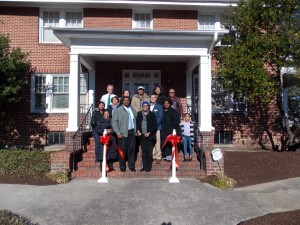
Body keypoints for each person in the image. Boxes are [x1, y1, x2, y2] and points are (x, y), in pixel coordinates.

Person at [111, 96, 137, 172]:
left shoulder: (132, 110)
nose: (126, 101)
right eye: (125, 100)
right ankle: (122, 167)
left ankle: (131, 166)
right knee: (122, 150)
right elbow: (114, 122)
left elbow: (135, 120)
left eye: (128, 100)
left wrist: (136, 130)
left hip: (132, 132)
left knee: (132, 149)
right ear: (122, 101)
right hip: (122, 133)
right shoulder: (118, 110)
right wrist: (118, 132)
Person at [136, 101, 157, 172]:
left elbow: (154, 126)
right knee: (144, 152)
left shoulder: (152, 114)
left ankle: (149, 166)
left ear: (148, 106)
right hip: (142, 136)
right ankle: (144, 166)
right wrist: (138, 130)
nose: (145, 107)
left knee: (149, 152)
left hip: (149, 137)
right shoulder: (139, 114)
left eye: (146, 106)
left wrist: (149, 133)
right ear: (142, 106)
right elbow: (137, 124)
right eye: (144, 106)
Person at [149, 94, 163, 164]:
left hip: (157, 127)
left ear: (156, 98)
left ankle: (158, 156)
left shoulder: (159, 106)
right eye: (151, 97)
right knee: (151, 142)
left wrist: (154, 125)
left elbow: (160, 117)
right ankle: (153, 155)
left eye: (154, 97)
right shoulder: (148, 106)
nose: (153, 98)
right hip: (149, 128)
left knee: (157, 141)